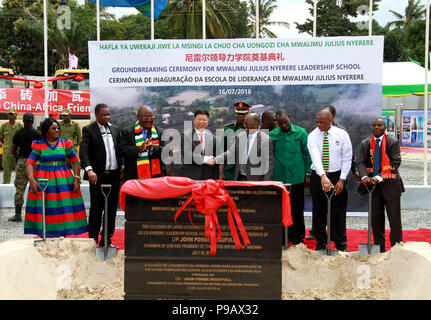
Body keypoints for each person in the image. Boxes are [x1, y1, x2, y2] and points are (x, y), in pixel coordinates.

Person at [23, 118, 87, 237]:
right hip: (44, 181)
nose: (57, 130)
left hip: (63, 180)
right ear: (46, 131)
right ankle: (45, 234)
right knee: (46, 206)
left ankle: (64, 233)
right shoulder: (39, 145)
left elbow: (76, 162)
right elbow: (29, 163)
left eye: (58, 128)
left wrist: (76, 178)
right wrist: (31, 179)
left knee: (64, 206)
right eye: (53, 128)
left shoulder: (65, 143)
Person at [307, 105, 359, 241]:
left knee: (338, 212)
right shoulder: (313, 135)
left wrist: (342, 180)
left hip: (337, 175)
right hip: (318, 175)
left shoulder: (342, 134)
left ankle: (340, 243)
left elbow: (347, 157)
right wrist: (323, 176)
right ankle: (321, 243)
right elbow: (316, 158)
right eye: (317, 122)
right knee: (319, 210)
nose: (318, 125)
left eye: (322, 122)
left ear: (330, 120)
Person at [358, 117, 404, 253]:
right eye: (374, 125)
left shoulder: (393, 142)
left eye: (379, 125)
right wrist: (364, 177)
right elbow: (360, 162)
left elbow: (395, 163)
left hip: (391, 185)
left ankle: (396, 248)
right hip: (373, 188)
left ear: (385, 128)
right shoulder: (365, 143)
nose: (376, 127)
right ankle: (379, 249)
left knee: (394, 219)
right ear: (371, 127)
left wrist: (378, 177)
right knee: (376, 219)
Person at [80, 103, 123, 247]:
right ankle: (92, 239)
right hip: (97, 176)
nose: (107, 117)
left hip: (114, 176)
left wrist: (122, 166)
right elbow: (84, 152)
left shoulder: (115, 130)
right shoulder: (89, 130)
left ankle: (107, 239)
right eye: (104, 114)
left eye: (109, 114)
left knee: (111, 209)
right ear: (96, 115)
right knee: (97, 209)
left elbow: (120, 150)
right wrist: (89, 170)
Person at [270, 109, 312, 245]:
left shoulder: (301, 132)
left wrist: (307, 174)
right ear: (277, 122)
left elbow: (307, 154)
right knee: (280, 208)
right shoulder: (272, 134)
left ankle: (298, 236)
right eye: (280, 123)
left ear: (289, 117)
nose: (284, 126)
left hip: (297, 177)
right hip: (279, 178)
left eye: (286, 122)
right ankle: (282, 236)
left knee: (296, 208)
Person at [217, 113, 273, 181]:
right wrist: (215, 159)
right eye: (244, 124)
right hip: (239, 178)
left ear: (256, 124)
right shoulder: (240, 136)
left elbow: (268, 164)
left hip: (256, 180)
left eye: (247, 125)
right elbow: (230, 153)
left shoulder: (266, 140)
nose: (245, 126)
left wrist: (266, 183)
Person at [9, 113, 43, 222]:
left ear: (23, 120)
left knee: (20, 187)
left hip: (23, 161)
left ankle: (18, 214)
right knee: (37, 186)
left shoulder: (18, 133)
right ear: (33, 121)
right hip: (35, 162)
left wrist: (18, 157)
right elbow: (42, 149)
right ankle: (38, 214)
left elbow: (13, 150)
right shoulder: (38, 134)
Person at [119, 105, 165, 181]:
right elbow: (122, 150)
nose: (149, 120)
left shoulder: (160, 132)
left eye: (152, 117)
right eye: (146, 118)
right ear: (138, 117)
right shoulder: (127, 131)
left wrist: (152, 148)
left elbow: (166, 150)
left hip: (156, 177)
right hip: (134, 177)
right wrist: (139, 149)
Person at [179, 109, 218, 180]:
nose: (201, 122)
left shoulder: (213, 138)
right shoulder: (185, 136)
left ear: (208, 122)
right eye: (199, 119)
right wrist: (206, 159)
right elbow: (187, 154)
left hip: (208, 178)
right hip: (190, 177)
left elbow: (215, 159)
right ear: (194, 121)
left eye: (204, 120)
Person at [219, 102, 250, 180]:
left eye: (243, 114)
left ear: (247, 115)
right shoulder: (228, 129)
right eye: (238, 114)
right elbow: (223, 151)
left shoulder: (253, 129)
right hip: (231, 170)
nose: (240, 117)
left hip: (248, 171)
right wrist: (221, 173)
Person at [0, 108, 23, 184]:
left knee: (18, 172)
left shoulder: (19, 126)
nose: (11, 116)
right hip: (6, 153)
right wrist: (6, 144)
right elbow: (1, 138)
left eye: (12, 114)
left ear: (16, 115)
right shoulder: (4, 126)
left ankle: (18, 189)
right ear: (7, 115)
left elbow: (24, 137)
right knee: (6, 172)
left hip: (17, 152)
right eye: (9, 114)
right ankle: (6, 189)